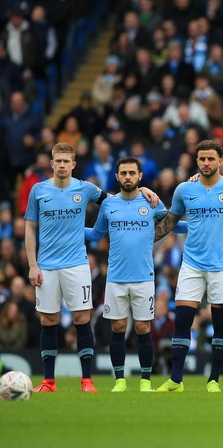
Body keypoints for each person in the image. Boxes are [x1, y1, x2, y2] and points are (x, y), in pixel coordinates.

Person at [24, 142, 156, 392]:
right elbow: (30, 228)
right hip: (47, 266)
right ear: (51, 163)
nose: (62, 165)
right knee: (48, 320)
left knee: (82, 318)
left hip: (77, 264)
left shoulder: (85, 189)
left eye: (66, 161)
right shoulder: (38, 191)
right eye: (58, 161)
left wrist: (143, 190)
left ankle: (87, 380)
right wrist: (33, 264)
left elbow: (118, 199)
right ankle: (49, 381)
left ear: (73, 164)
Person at [152, 140, 223, 392]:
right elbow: (170, 221)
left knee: (220, 323)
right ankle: (175, 380)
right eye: (202, 159)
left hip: (222, 266)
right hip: (191, 264)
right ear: (196, 161)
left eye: (210, 159)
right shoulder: (184, 189)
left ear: (220, 161)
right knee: (182, 320)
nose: (206, 163)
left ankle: (214, 379)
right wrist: (143, 237)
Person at [84, 157, 188, 392]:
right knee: (118, 327)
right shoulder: (109, 205)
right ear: (117, 177)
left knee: (143, 328)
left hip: (143, 277)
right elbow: (96, 234)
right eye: (124, 173)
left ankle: (145, 381)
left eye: (132, 173)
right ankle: (120, 380)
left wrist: (198, 224)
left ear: (140, 176)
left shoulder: (151, 202)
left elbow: (171, 224)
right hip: (115, 278)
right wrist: (69, 228)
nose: (128, 177)